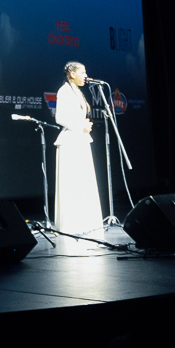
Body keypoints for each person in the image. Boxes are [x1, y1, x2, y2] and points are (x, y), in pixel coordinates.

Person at [52, 62, 103, 232]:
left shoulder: (77, 91)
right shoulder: (64, 91)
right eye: (83, 72)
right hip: (71, 140)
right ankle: (72, 224)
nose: (86, 76)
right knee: (73, 183)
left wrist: (84, 126)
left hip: (80, 139)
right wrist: (81, 126)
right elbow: (60, 118)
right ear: (72, 74)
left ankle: (84, 222)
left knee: (83, 182)